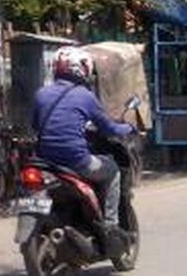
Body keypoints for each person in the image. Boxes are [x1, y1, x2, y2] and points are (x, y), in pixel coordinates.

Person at [32, 46, 134, 256]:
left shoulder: (41, 94)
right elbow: (109, 128)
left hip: (44, 163)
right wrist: (129, 128)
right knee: (113, 170)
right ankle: (110, 225)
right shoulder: (84, 96)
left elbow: (34, 125)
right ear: (82, 69)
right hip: (76, 161)